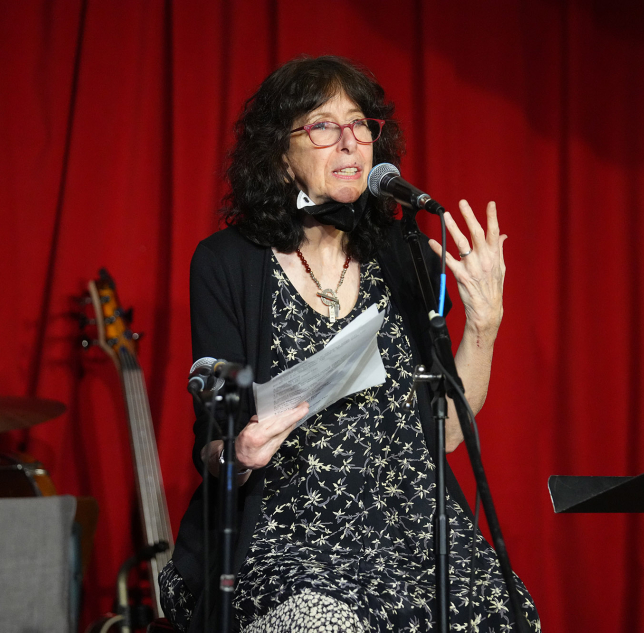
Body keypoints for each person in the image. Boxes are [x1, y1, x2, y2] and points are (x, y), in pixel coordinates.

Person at [160, 55, 540, 632]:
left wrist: (485, 326)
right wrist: (238, 453)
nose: (349, 142)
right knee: (325, 621)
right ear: (280, 156)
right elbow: (213, 445)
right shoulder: (227, 263)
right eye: (323, 125)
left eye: (360, 124)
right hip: (286, 536)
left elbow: (446, 434)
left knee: (505, 612)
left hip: (410, 529)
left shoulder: (404, 255)